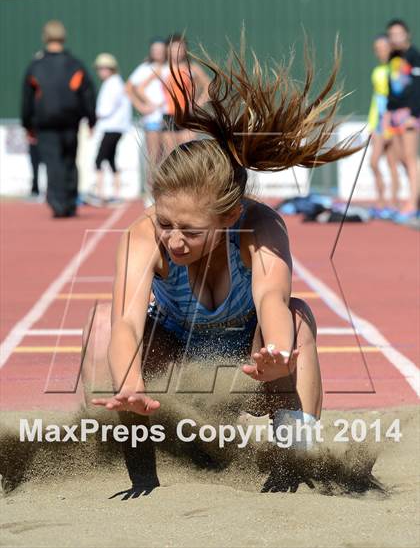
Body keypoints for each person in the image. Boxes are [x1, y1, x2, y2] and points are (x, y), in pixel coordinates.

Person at [82, 42, 360, 492]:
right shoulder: (142, 236)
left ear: (229, 217)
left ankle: (295, 462)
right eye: (166, 222)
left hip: (248, 366)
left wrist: (277, 351)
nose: (173, 239)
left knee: (298, 319)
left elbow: (272, 297)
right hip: (176, 362)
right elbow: (126, 324)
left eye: (189, 230)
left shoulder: (261, 227)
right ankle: (140, 469)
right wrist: (131, 385)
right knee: (98, 324)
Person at [21, 20, 96, 218]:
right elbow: (87, 94)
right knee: (70, 161)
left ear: (45, 37)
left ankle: (58, 204)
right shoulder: (75, 64)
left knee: (53, 163)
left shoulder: (36, 66)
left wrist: (27, 125)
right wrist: (91, 119)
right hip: (70, 122)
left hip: (45, 124)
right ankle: (70, 203)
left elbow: (27, 98)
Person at [384, 19, 420, 221]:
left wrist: (413, 115)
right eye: (392, 35)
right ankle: (414, 197)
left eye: (399, 34)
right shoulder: (392, 57)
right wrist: (388, 114)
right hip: (395, 115)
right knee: (399, 159)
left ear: (407, 34)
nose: (395, 38)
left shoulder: (414, 55)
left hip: (410, 114)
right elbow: (391, 89)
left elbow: (417, 87)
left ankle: (413, 203)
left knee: (410, 158)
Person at [91, 53, 132, 206]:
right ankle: (115, 193)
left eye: (103, 68)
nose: (100, 71)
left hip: (112, 126)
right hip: (114, 126)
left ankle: (99, 193)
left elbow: (106, 108)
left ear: (111, 69)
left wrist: (95, 116)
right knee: (110, 159)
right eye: (99, 68)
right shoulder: (113, 83)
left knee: (99, 159)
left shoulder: (113, 84)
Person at [159, 33, 211, 152]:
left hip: (187, 114)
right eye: (173, 48)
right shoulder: (161, 68)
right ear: (168, 49)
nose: (177, 51)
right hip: (169, 115)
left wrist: (198, 103)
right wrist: (148, 104)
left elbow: (209, 85)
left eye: (180, 48)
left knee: (188, 152)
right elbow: (137, 87)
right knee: (171, 154)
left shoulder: (192, 67)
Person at [367, 34, 399, 218]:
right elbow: (376, 99)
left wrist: (389, 121)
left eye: (383, 46)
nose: (380, 50)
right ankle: (381, 200)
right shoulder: (378, 69)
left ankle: (393, 202)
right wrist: (372, 124)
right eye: (377, 47)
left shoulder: (395, 67)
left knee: (392, 162)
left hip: (392, 118)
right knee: (374, 162)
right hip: (378, 117)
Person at [126, 38, 167, 168]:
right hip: (153, 117)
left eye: (161, 49)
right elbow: (128, 88)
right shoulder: (145, 68)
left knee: (168, 155)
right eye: (155, 50)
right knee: (154, 154)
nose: (158, 52)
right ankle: (152, 186)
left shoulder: (170, 67)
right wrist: (141, 106)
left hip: (169, 115)